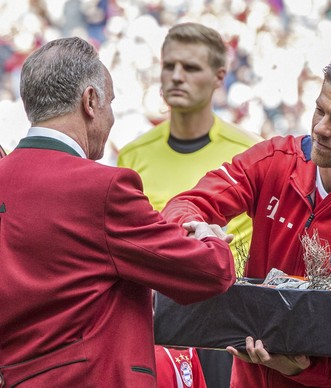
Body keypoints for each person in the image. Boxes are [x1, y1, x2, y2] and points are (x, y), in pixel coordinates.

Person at [0, 37, 236, 387]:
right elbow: (209, 272)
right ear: (90, 101)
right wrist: (207, 238)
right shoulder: (102, 188)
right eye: (109, 101)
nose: (110, 115)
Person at [162, 53, 331, 388]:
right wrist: (194, 230)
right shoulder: (275, 160)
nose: (321, 127)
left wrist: (294, 368)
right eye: (320, 110)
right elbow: (187, 204)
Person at [116, 22, 262, 388]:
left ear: (219, 78)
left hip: (230, 325)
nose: (176, 77)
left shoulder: (252, 151)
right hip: (159, 324)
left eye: (191, 68)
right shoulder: (134, 154)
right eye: (169, 66)